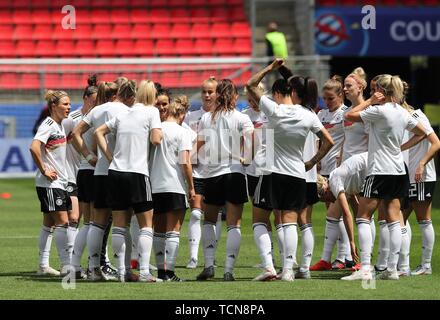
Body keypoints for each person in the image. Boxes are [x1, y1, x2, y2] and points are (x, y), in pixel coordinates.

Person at [246, 59, 334, 281]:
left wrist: (270, 68)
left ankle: (268, 267)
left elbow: (250, 84)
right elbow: (329, 141)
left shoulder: (274, 110)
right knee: (290, 222)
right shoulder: (309, 114)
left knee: (259, 220)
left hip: (273, 172)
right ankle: (288, 271)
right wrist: (312, 162)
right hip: (298, 174)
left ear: (278, 92)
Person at [342, 74, 427, 281]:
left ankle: (365, 269)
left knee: (363, 216)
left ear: (381, 90)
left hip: (379, 170)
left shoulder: (378, 111)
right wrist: (401, 148)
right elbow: (422, 132)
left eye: (374, 90)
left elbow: (349, 115)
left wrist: (370, 102)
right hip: (398, 171)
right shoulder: (402, 112)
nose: (372, 93)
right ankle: (391, 269)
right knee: (394, 220)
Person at [94, 79, 162, 282]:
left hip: (115, 173)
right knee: (146, 225)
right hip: (137, 173)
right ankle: (144, 272)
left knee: (119, 225)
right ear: (153, 96)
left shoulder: (124, 113)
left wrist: (110, 156)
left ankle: (123, 271)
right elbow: (156, 139)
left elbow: (99, 132)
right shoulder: (152, 112)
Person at [72, 80, 135, 281]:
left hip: (99, 171)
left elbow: (76, 133)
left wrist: (89, 155)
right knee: (122, 223)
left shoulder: (97, 110)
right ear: (118, 94)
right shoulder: (127, 110)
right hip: (121, 170)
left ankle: (93, 269)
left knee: (95, 223)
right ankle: (124, 269)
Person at [196, 79, 254, 281]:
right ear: (235, 96)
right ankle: (228, 270)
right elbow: (251, 143)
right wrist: (246, 159)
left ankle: (209, 265)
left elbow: (198, 147)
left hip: (212, 174)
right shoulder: (241, 118)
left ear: (218, 95)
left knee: (209, 220)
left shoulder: (205, 118)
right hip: (235, 172)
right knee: (233, 224)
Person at [150, 96, 195, 282]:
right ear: (182, 114)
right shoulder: (182, 132)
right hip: (174, 185)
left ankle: (161, 271)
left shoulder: (156, 130)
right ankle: (170, 271)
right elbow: (185, 162)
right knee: (173, 231)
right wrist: (191, 187)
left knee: (158, 231)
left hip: (155, 185)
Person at [30, 90, 72, 276]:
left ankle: (43, 265)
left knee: (49, 224)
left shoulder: (60, 125)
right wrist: (44, 170)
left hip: (58, 182)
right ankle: (66, 265)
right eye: (65, 104)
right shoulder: (48, 124)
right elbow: (34, 147)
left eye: (69, 104)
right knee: (63, 221)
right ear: (53, 106)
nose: (68, 107)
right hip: (50, 184)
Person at [400, 82, 440, 276]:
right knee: (398, 218)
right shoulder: (401, 117)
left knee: (422, 219)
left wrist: (422, 163)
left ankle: (425, 266)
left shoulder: (415, 115)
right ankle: (402, 265)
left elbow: (436, 143)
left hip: (421, 177)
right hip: (409, 177)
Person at [184, 77, 223, 269]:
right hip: (198, 171)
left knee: (215, 215)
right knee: (196, 214)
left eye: (211, 92)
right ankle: (192, 257)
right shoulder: (191, 117)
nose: (207, 95)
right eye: (204, 92)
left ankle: (211, 254)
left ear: (218, 94)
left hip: (217, 172)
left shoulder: (223, 117)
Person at [62, 75, 98, 274]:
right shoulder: (71, 120)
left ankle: (90, 263)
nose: (95, 104)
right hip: (72, 173)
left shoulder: (98, 117)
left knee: (90, 220)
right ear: (85, 99)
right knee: (75, 218)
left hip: (87, 173)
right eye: (93, 101)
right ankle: (70, 264)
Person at [312, 153, 369, 271]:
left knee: (366, 219)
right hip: (372, 168)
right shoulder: (335, 179)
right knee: (335, 214)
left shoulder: (335, 181)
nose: (327, 202)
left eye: (324, 199)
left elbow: (347, 213)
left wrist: (352, 243)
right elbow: (352, 191)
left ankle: (365, 263)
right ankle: (325, 261)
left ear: (325, 191)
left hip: (377, 169)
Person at [318, 75, 351, 269]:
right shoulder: (321, 114)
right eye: (325, 98)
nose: (327, 102)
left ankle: (343, 257)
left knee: (339, 213)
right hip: (324, 170)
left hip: (340, 170)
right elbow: (318, 140)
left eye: (330, 98)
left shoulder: (346, 114)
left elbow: (350, 139)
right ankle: (340, 257)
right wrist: (316, 161)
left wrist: (342, 157)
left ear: (340, 96)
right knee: (331, 214)